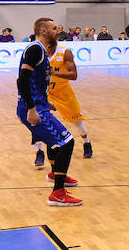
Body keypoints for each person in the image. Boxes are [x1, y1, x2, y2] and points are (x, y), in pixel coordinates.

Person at [16, 18, 82, 206]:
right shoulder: (35, 49)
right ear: (43, 31)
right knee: (66, 142)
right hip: (33, 109)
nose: (58, 30)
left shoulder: (41, 51)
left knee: (54, 143)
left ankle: (56, 174)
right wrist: (31, 108)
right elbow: (21, 80)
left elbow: (33, 82)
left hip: (40, 106)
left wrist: (45, 102)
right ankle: (58, 194)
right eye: (54, 28)